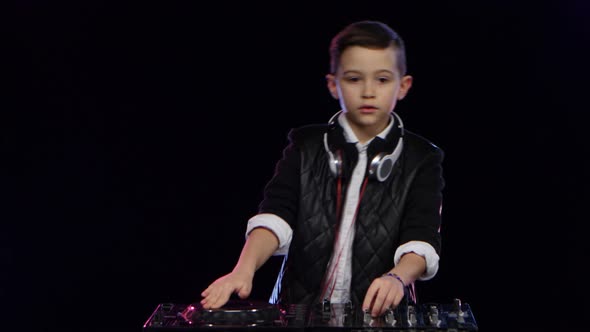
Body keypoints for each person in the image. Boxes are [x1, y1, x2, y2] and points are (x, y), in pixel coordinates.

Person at [200, 20, 444, 318]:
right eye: (354, 79)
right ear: (333, 84)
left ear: (403, 86)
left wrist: (397, 277)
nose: (368, 91)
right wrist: (243, 270)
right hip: (297, 312)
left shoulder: (421, 159)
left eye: (382, 79)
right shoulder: (305, 146)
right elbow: (276, 215)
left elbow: (421, 237)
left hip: (378, 317)